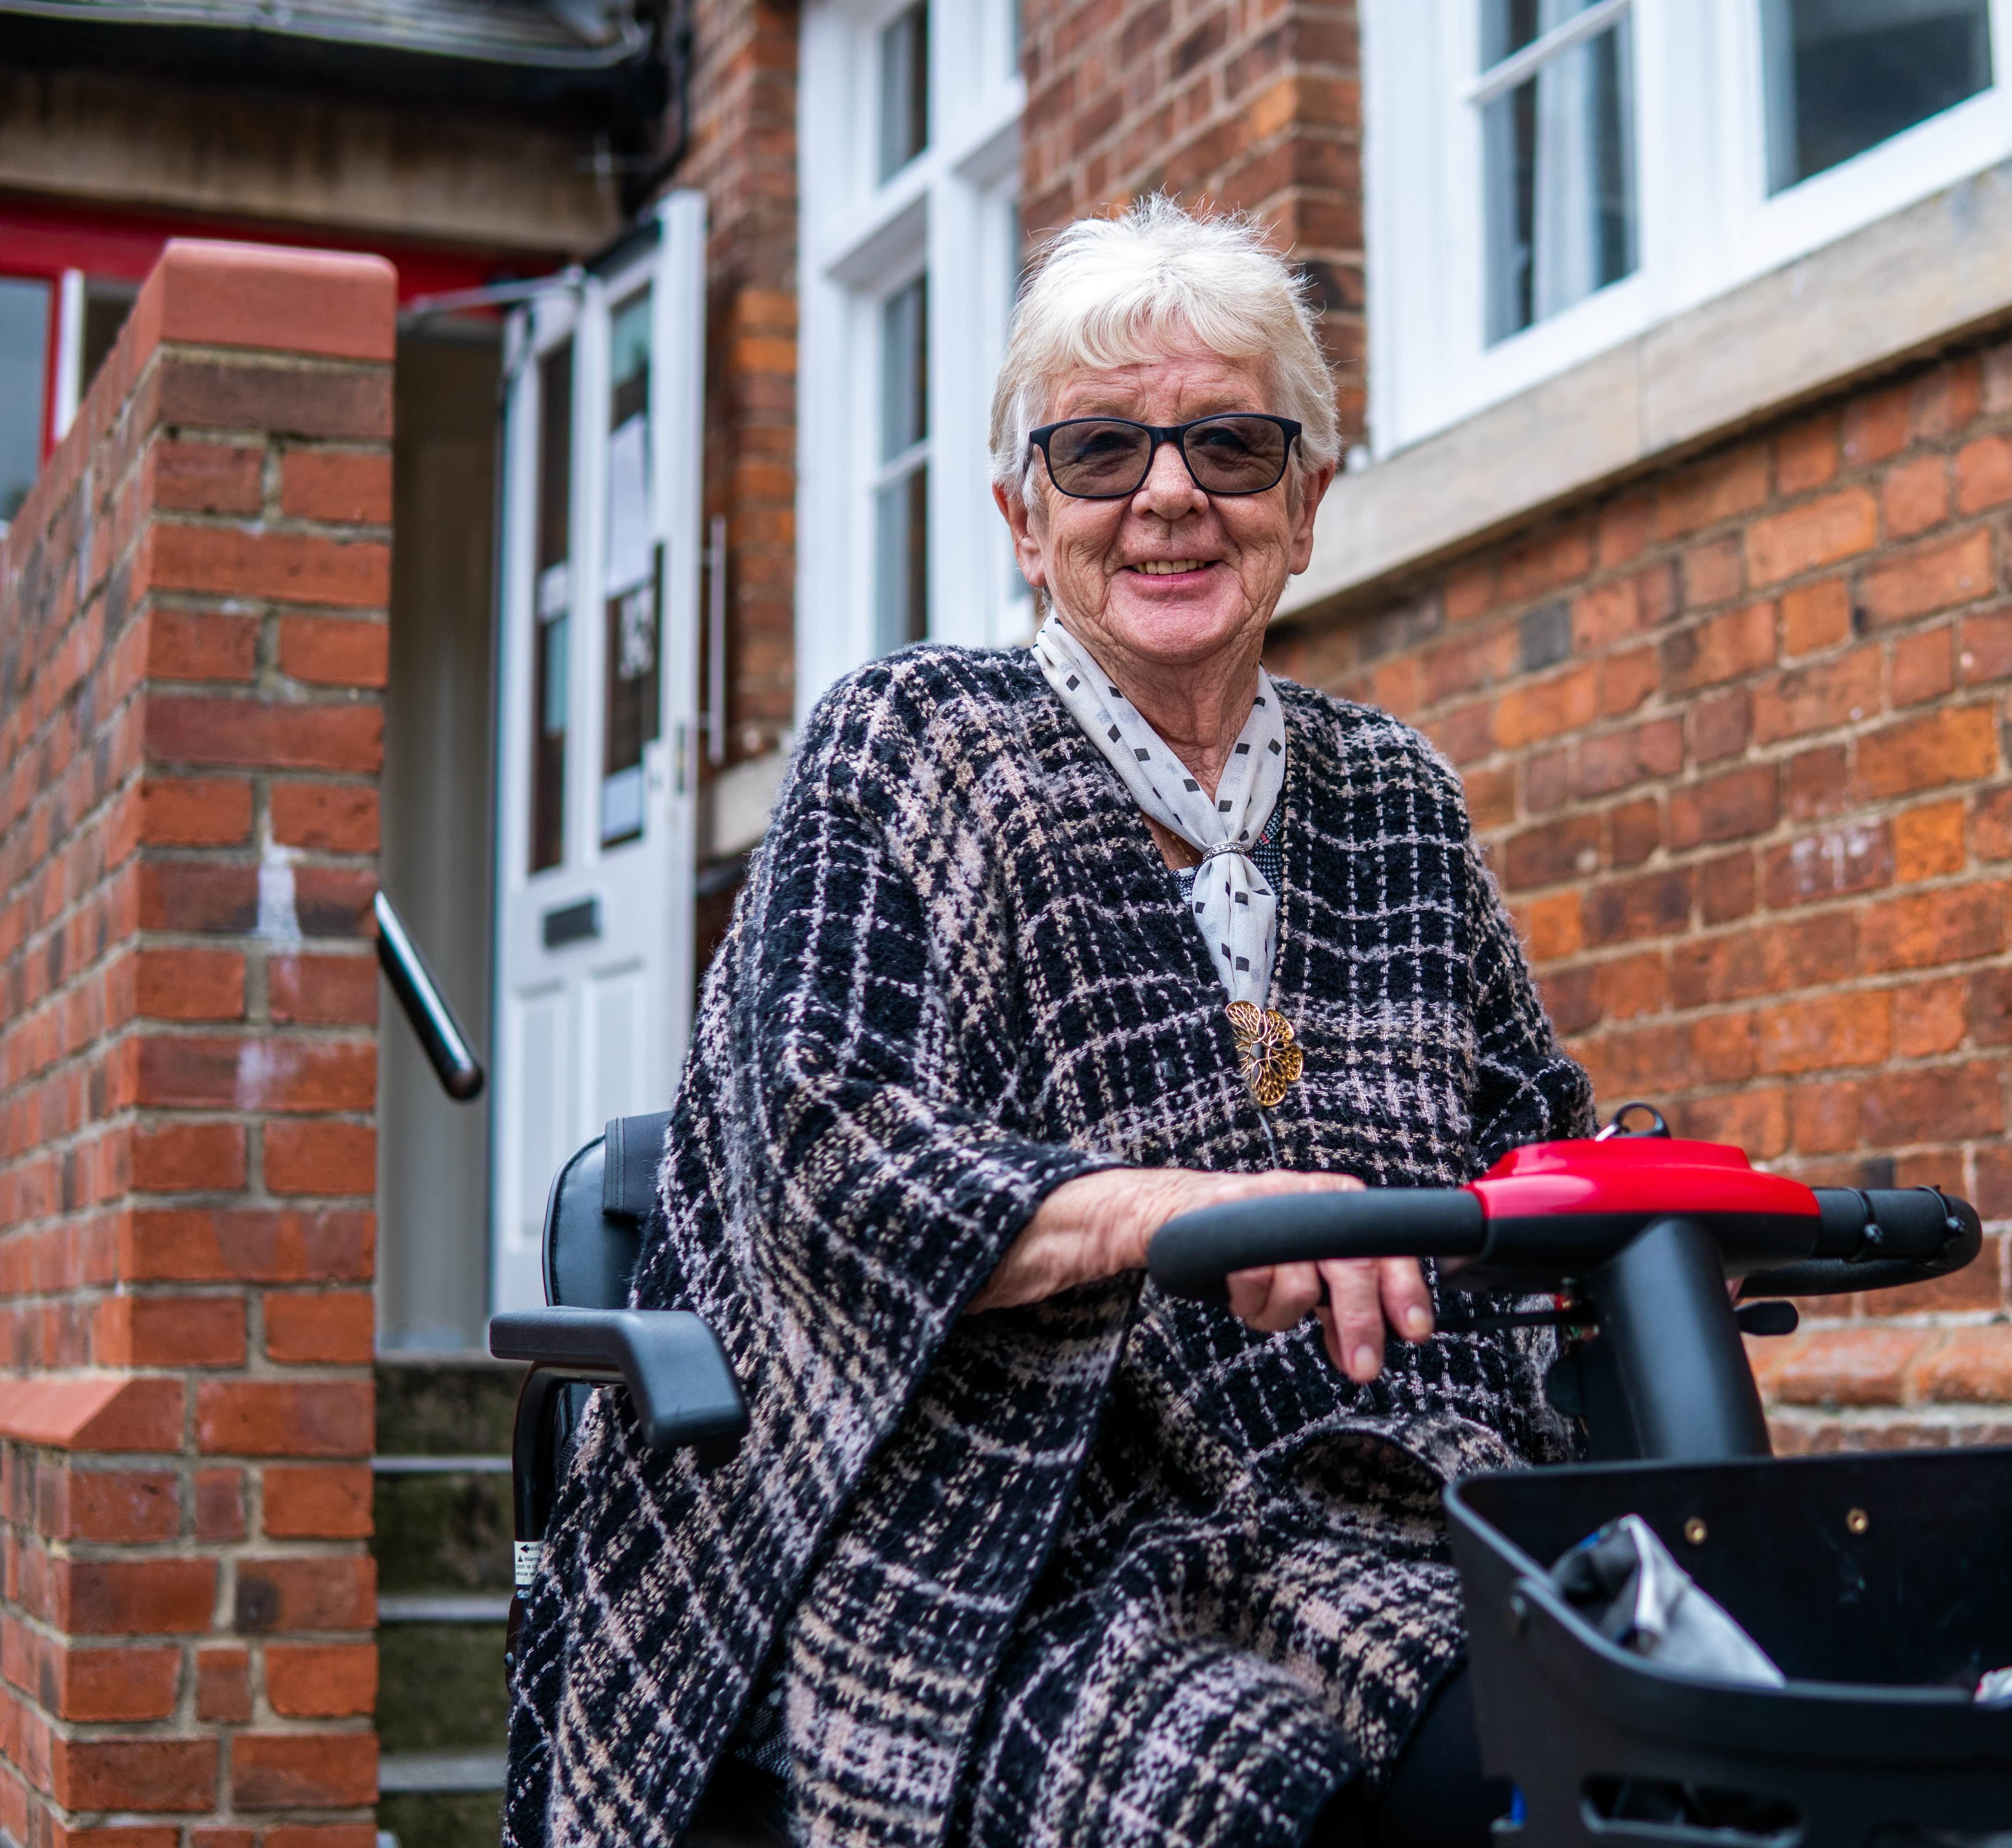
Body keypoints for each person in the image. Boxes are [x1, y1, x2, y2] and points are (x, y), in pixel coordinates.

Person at [504, 196, 1591, 1848]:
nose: (1169, 495)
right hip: (1015, 1535)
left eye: (1231, 446)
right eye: (1100, 454)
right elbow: (815, 1145)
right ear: (1028, 519)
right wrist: (1175, 1212)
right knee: (1265, 1783)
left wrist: (1658, 1218)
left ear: (1305, 504)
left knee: (1695, 1704)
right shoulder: (913, 744)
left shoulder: (1394, 797)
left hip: (1402, 1498)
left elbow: (1537, 1134)